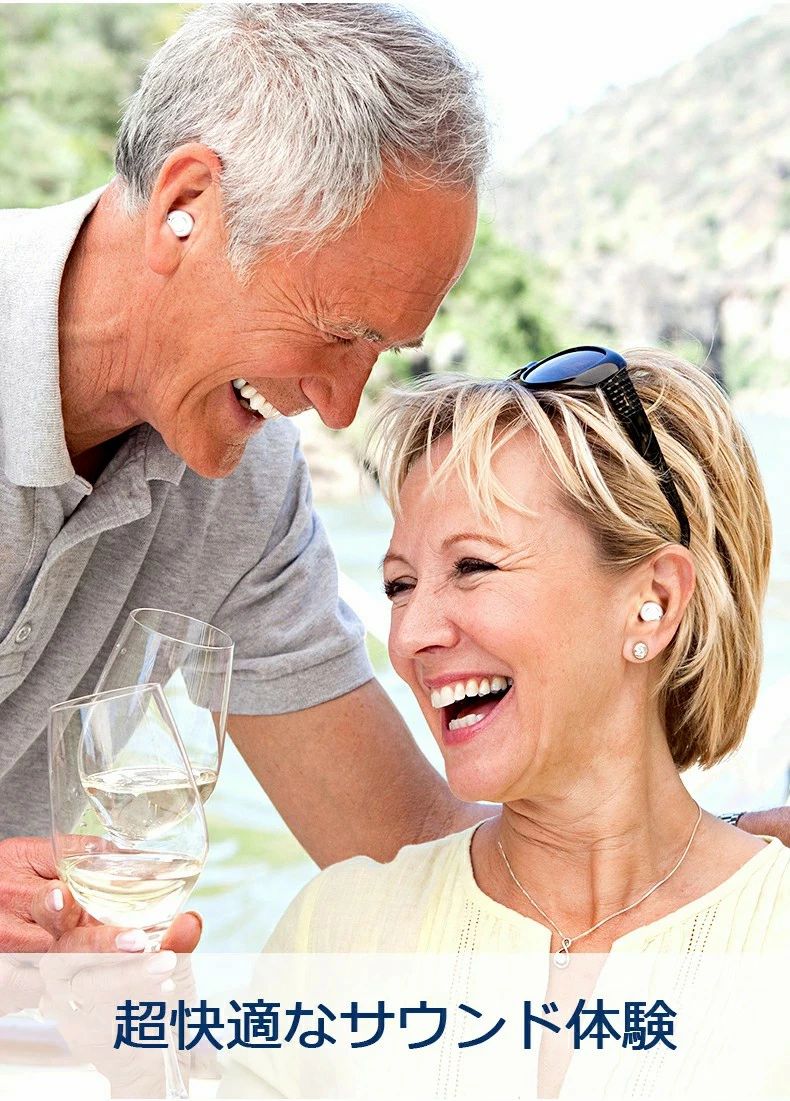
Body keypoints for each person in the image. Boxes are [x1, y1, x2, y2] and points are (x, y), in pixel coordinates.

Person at [0, 6, 785, 956]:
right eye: (339, 330)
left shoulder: (242, 483)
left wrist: (717, 868)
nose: (338, 408)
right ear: (188, 203)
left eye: (381, 349)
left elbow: (407, 842)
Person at [226, 347, 789, 1098]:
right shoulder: (334, 931)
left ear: (651, 601)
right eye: (399, 585)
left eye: (474, 567)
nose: (410, 635)